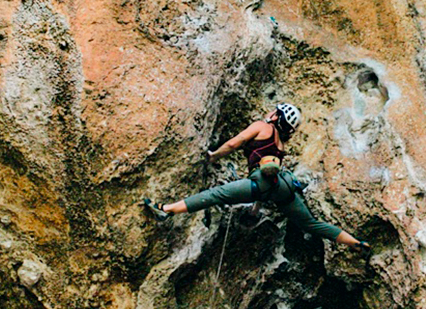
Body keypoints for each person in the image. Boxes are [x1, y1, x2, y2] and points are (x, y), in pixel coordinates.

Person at [144, 103, 371, 251]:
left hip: (261, 183)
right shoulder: (280, 144)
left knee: (215, 195)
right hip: (283, 188)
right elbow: (269, 184)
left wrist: (214, 156)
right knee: (311, 224)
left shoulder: (262, 126)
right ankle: (355, 241)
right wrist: (255, 209)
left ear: (276, 115)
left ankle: (167, 210)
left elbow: (235, 143)